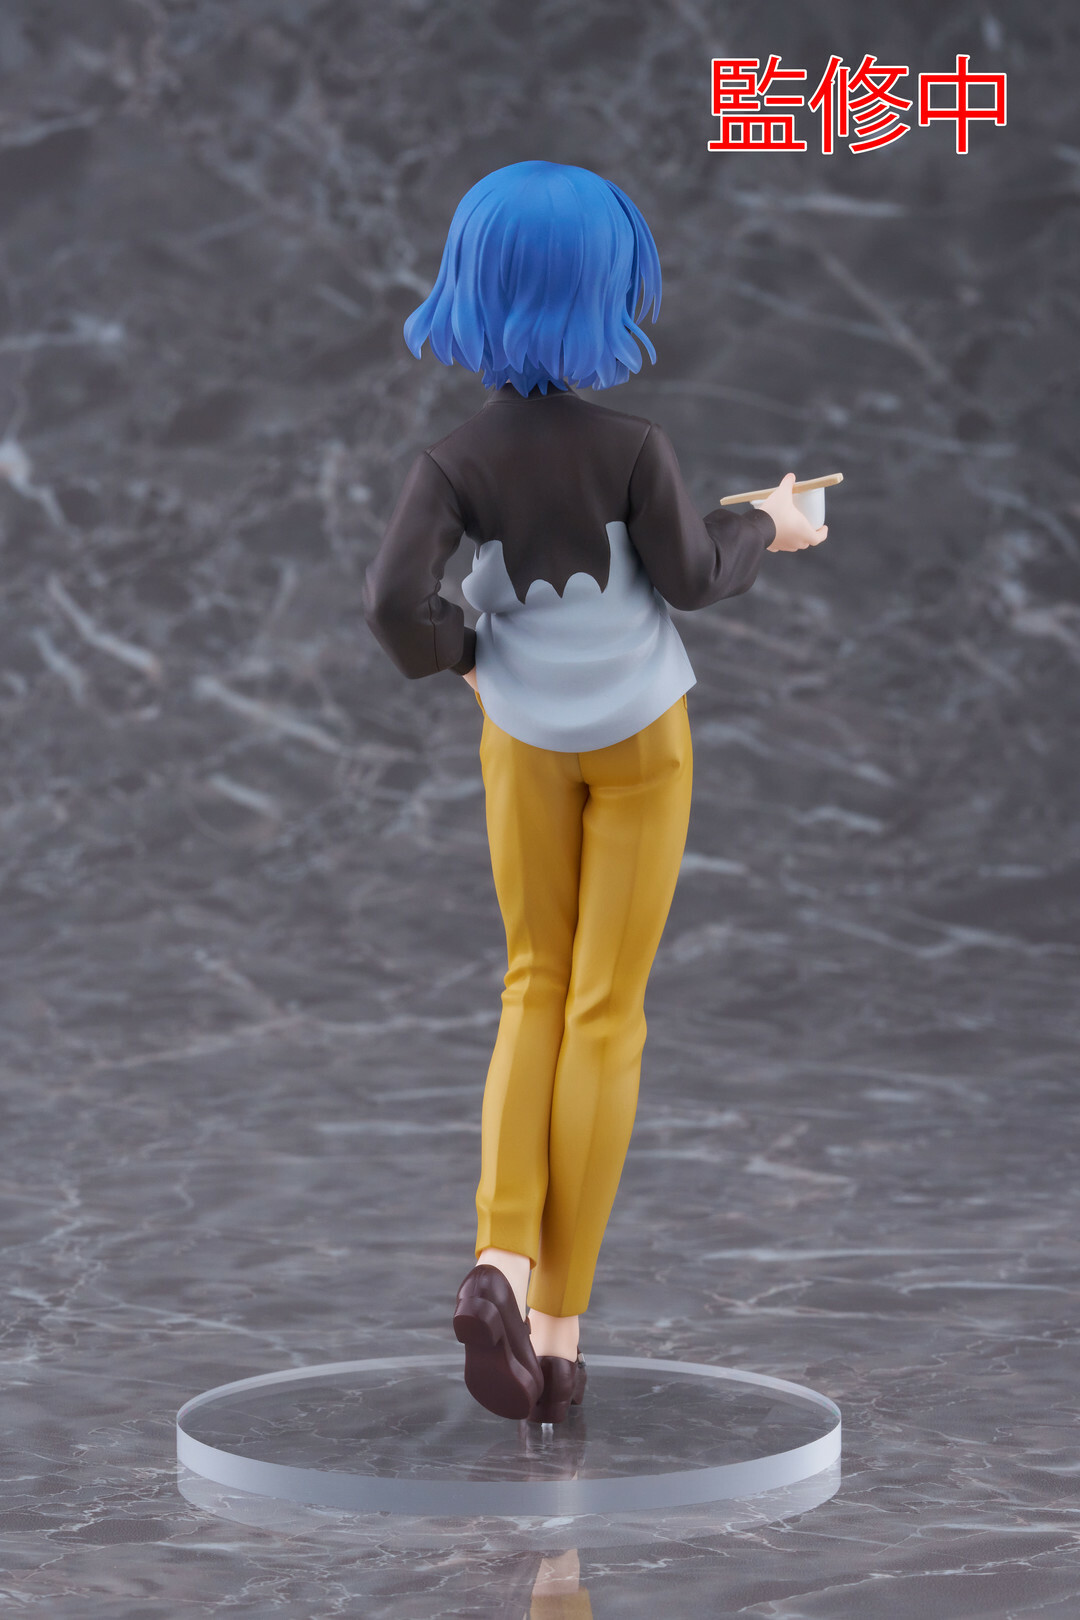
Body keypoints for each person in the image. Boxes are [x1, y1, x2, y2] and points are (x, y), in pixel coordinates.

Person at [362, 160, 827, 1424]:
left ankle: (500, 1262)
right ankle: (560, 1336)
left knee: (533, 985)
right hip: (641, 741)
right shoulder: (633, 448)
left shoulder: (455, 461)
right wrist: (771, 526)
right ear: (605, 292)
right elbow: (692, 576)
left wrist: (467, 655)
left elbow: (392, 602)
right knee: (606, 1012)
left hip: (522, 739)